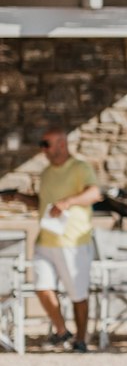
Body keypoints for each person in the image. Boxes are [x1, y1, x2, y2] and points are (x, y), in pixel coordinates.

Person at [0, 128, 101, 351]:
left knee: (78, 294)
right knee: (42, 287)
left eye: (46, 143)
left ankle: (81, 340)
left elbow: (94, 194)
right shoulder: (46, 173)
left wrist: (67, 202)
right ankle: (62, 330)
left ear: (61, 145)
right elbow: (42, 202)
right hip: (45, 241)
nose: (42, 148)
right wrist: (18, 197)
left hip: (73, 241)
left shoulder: (79, 168)